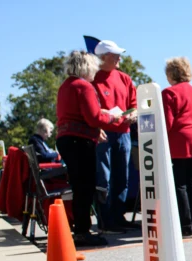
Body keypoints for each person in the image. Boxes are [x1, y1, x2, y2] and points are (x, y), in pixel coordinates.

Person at [56, 51, 123, 246]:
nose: (95, 71)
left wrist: (95, 128)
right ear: (86, 68)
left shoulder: (66, 86)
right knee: (84, 187)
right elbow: (93, 118)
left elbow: (77, 115)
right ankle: (83, 231)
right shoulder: (83, 86)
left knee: (80, 187)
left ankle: (81, 229)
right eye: (93, 68)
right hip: (79, 142)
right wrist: (113, 117)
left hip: (68, 138)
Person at [92, 39, 138, 233]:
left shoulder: (125, 78)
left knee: (122, 177)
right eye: (115, 55)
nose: (120, 58)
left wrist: (134, 114)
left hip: (124, 132)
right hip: (103, 132)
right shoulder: (92, 78)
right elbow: (91, 107)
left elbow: (134, 103)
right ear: (103, 57)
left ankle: (118, 216)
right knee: (104, 177)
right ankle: (105, 220)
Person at [162, 57, 192, 238]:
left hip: (178, 142)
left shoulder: (169, 93)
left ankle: (185, 224)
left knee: (179, 184)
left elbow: (166, 123)